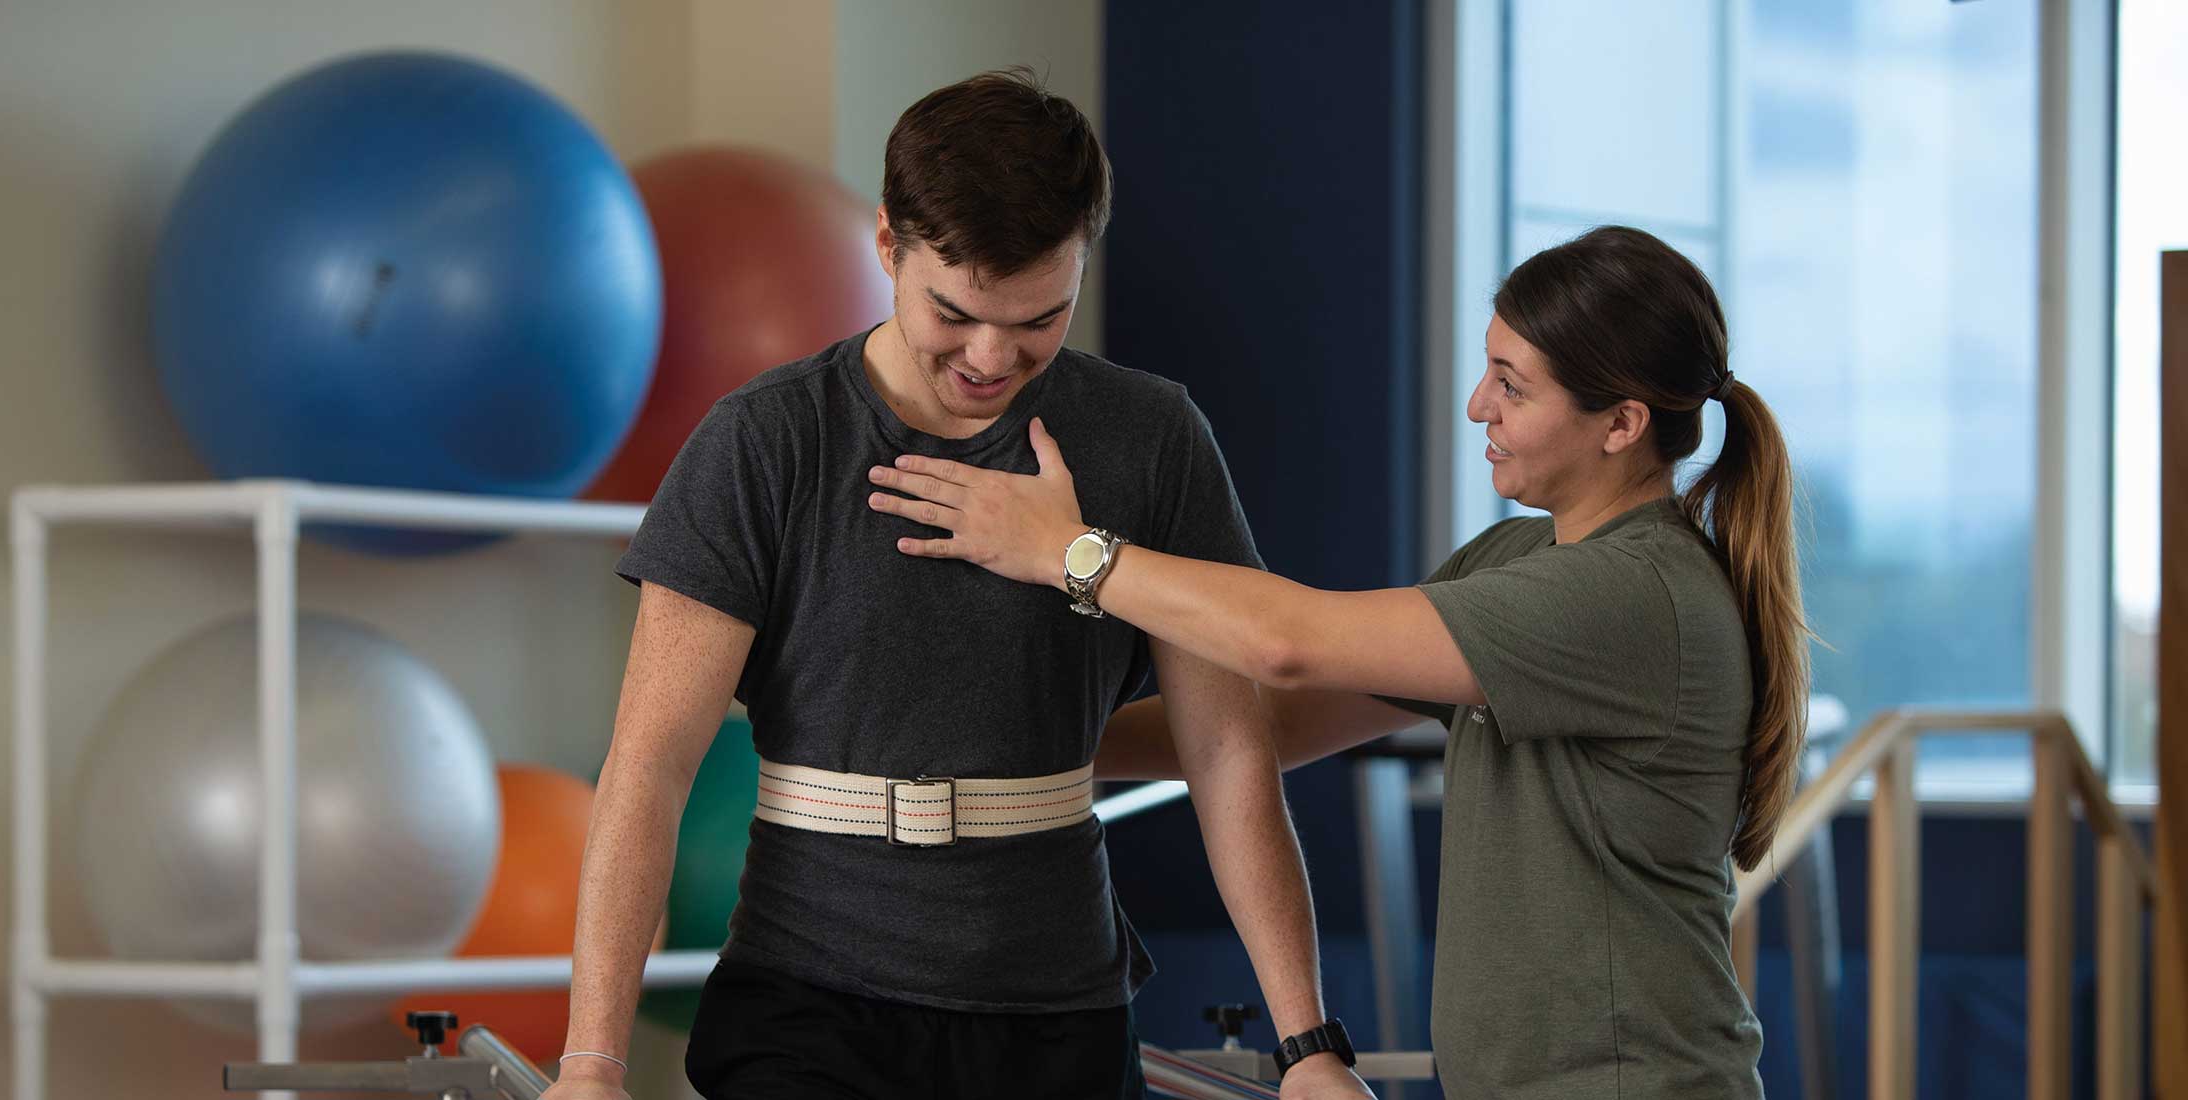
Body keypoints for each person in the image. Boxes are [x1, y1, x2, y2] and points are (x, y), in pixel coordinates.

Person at [548, 69, 1374, 1100]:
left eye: (1041, 318)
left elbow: (1227, 752)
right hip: (808, 997)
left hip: (1057, 1004)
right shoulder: (764, 443)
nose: (992, 357)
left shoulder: (1151, 439)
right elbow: (648, 766)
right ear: (888, 246)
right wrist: (592, 1060)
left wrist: (1309, 1045)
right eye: (955, 312)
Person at [863, 224, 1808, 1098]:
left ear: (1622, 424)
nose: (1479, 403)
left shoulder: (1632, 597)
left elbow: (1287, 644)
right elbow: (1273, 722)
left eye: (1512, 386)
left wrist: (1067, 553)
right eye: (1488, 370)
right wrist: (1019, 749)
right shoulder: (1523, 561)